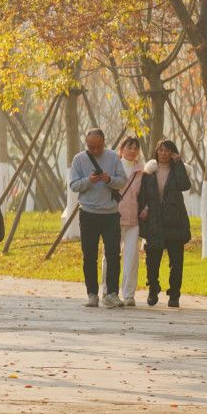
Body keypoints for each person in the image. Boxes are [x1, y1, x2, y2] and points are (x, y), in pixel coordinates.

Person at [69, 127, 128, 308]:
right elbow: (73, 185)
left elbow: (122, 181)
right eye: (90, 146)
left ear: (104, 141)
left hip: (110, 214)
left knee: (113, 255)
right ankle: (92, 294)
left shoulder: (113, 157)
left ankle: (112, 294)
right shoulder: (79, 159)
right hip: (88, 213)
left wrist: (109, 179)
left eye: (98, 146)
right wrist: (89, 181)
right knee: (89, 255)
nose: (94, 150)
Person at [138, 138, 191, 308]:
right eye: (161, 150)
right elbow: (144, 195)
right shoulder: (149, 171)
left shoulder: (178, 170)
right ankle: (153, 288)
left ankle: (174, 294)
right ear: (156, 152)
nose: (164, 153)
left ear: (172, 153)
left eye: (168, 150)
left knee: (176, 261)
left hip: (174, 220)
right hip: (155, 221)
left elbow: (184, 185)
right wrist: (145, 208)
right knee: (152, 261)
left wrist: (178, 162)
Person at [101, 137, 144, 307]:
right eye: (129, 147)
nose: (133, 151)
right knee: (109, 256)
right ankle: (106, 291)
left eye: (136, 148)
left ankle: (129, 295)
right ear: (121, 149)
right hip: (113, 217)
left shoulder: (142, 172)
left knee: (131, 258)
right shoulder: (112, 167)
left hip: (133, 219)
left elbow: (144, 195)